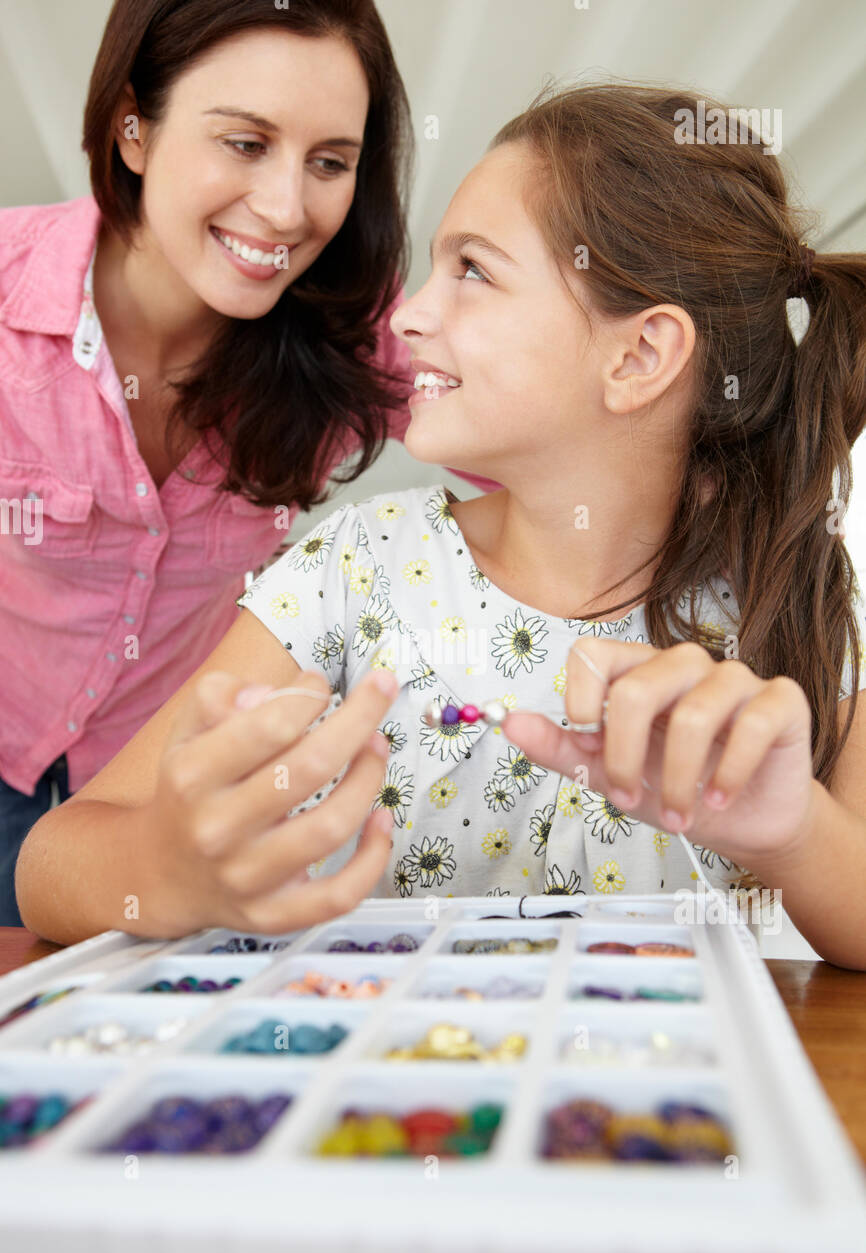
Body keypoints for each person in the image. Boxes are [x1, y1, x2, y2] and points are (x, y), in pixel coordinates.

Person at [18, 83, 866, 969]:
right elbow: (50, 863)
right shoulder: (359, 569)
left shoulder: (797, 595)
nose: (408, 316)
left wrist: (794, 833)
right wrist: (168, 866)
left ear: (638, 355)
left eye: (473, 271)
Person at [0, 0, 492, 926]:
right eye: (244, 142)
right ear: (133, 131)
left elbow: (535, 454)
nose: (286, 209)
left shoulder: (361, 333)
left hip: (158, 797)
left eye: (330, 162)